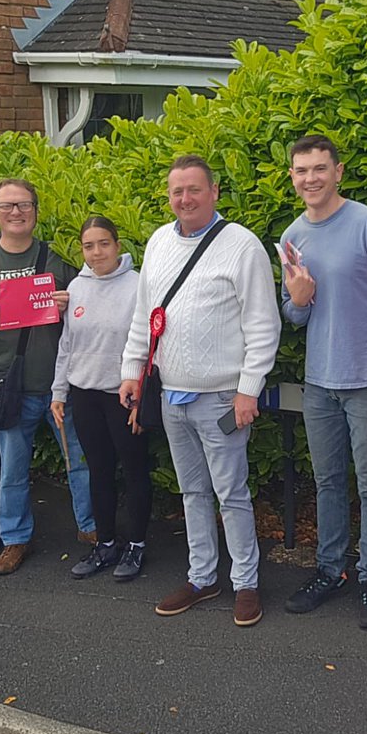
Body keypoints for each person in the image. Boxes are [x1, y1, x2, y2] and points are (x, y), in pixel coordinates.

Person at [120, 155, 280, 627]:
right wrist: (131, 370)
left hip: (222, 399)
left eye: (194, 189)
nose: (185, 199)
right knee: (192, 491)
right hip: (170, 395)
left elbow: (263, 325)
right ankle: (202, 577)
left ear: (214, 192)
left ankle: (246, 582)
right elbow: (144, 315)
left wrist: (248, 390)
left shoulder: (242, 245)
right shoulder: (158, 241)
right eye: (177, 191)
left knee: (232, 494)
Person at [279, 134, 367, 630]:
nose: (310, 178)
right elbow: (294, 314)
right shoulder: (293, 235)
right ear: (292, 177)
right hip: (320, 382)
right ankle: (330, 570)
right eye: (301, 170)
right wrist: (299, 299)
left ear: (338, 171)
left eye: (319, 168)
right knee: (328, 482)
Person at [0, 178, 95, 576]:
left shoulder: (56, 258)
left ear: (35, 211)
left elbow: (90, 306)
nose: (16, 212)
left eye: (24, 205)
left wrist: (70, 305)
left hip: (62, 386)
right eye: (7, 206)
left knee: (80, 463)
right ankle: (15, 538)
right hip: (9, 386)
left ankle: (91, 528)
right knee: (12, 471)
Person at [51, 216, 151, 581]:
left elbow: (149, 345)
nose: (96, 253)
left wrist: (142, 397)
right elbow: (67, 344)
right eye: (88, 246)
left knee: (135, 470)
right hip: (84, 394)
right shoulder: (76, 287)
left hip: (123, 396)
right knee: (99, 470)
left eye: (104, 243)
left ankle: (136, 545)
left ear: (118, 245)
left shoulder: (138, 286)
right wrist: (59, 391)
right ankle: (106, 544)